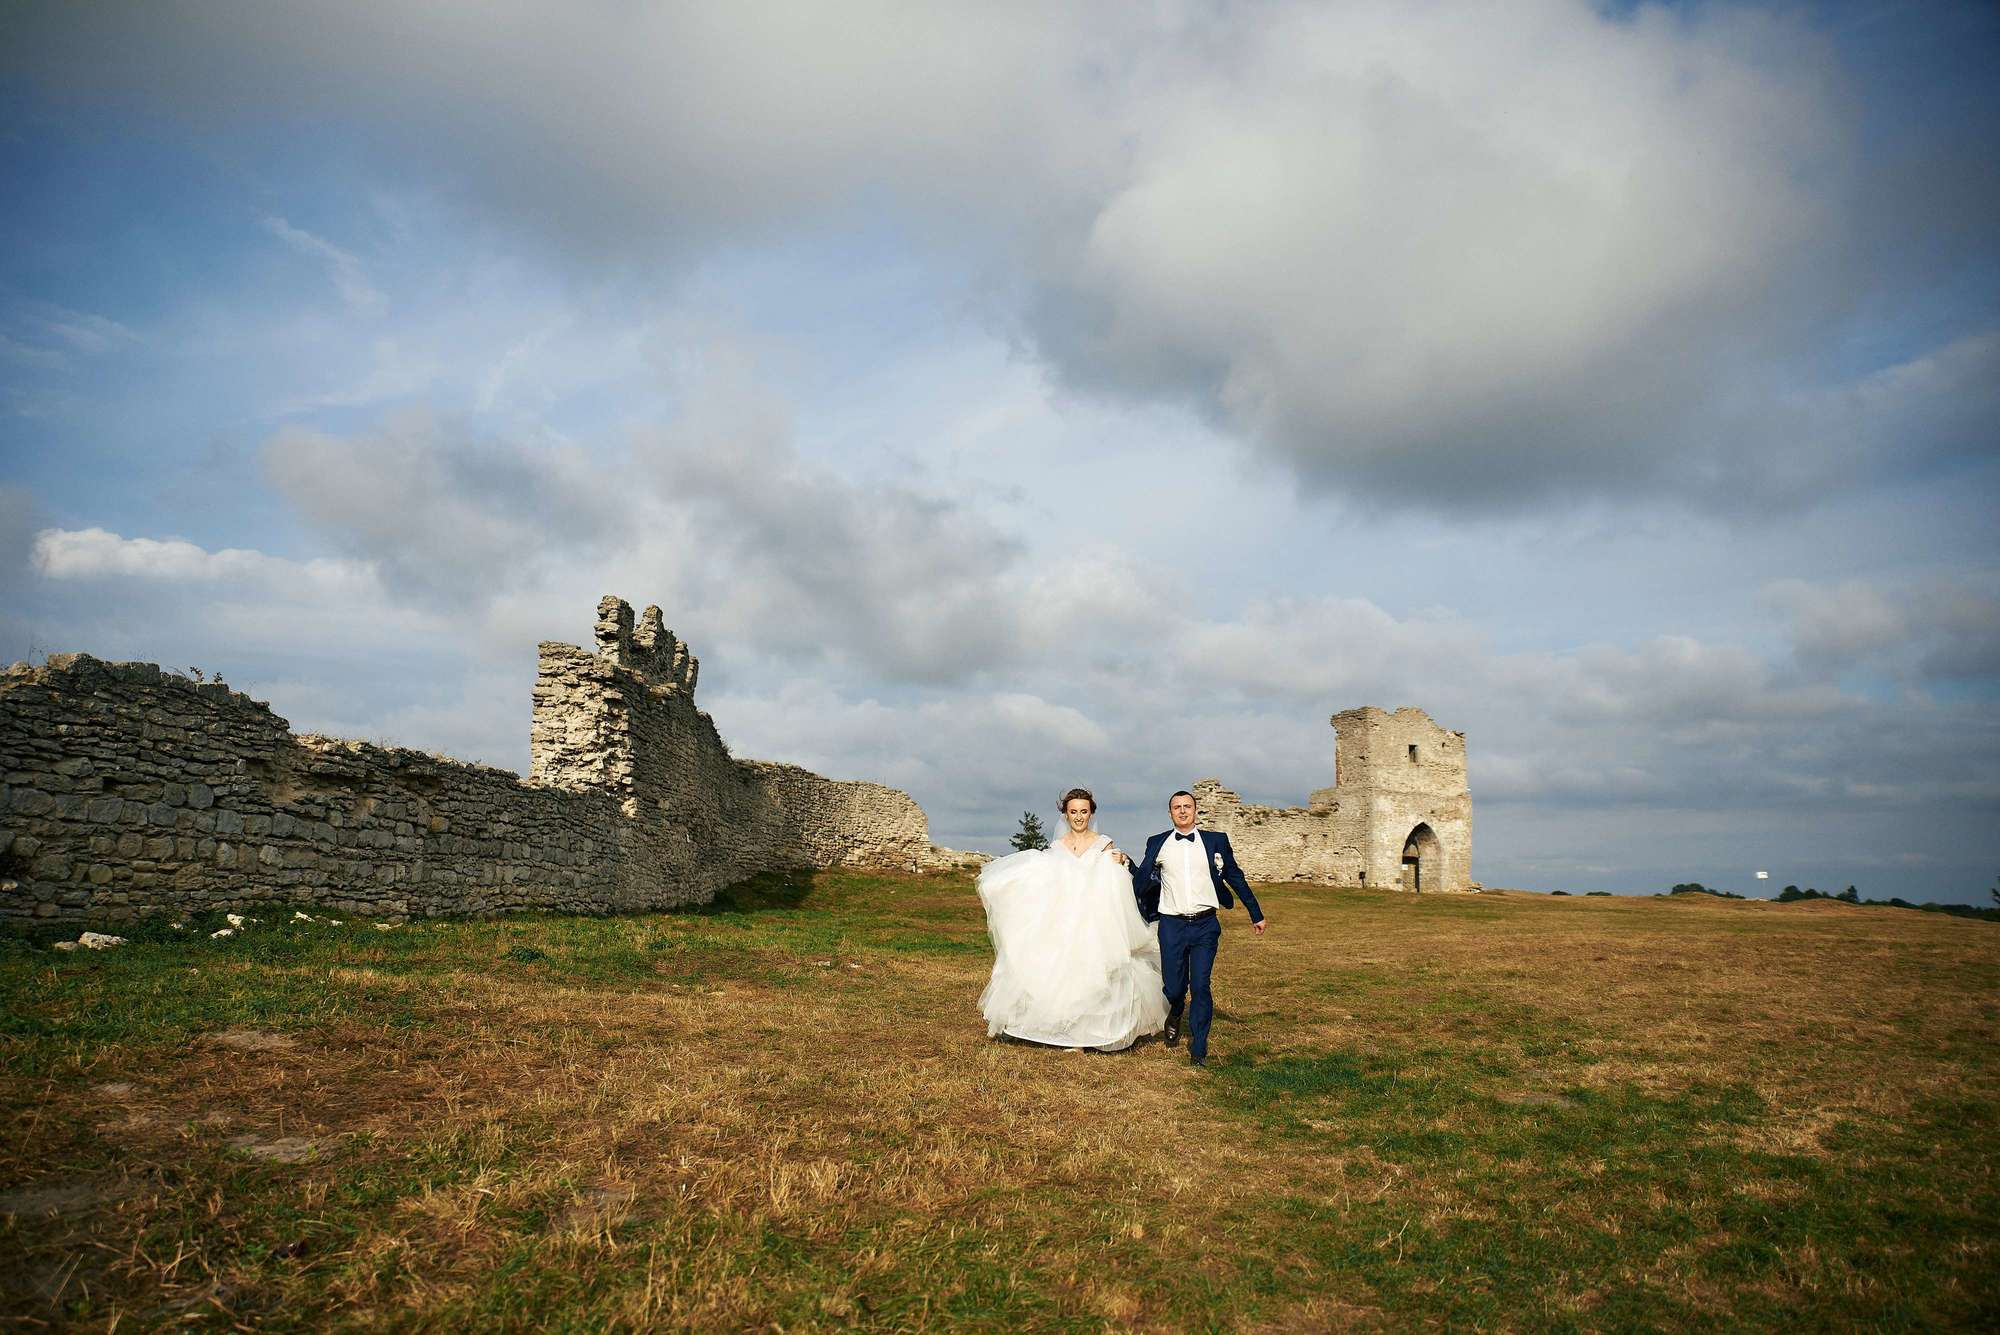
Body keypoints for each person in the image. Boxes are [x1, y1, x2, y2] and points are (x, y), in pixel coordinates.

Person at [977, 787, 1169, 1051]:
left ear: (1091, 813)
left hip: (1094, 918)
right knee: (1060, 970)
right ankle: (1057, 1026)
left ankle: (1085, 1034)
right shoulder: (1057, 846)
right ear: (1066, 815)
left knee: (1093, 970)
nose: (1079, 817)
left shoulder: (1104, 844)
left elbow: (1115, 882)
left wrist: (1121, 862)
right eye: (1073, 812)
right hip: (1064, 918)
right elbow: (1047, 880)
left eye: (1084, 811)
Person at [1129, 789, 1267, 1067]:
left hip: (1205, 925)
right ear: (1170, 813)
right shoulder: (1158, 843)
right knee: (1174, 987)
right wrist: (1125, 867)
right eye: (1176, 807)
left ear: (1195, 810)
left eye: (1187, 806)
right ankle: (1176, 1009)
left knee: (1201, 985)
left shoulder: (1216, 841)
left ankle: (1199, 1049)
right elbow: (1142, 878)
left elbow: (1235, 877)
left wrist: (1256, 913)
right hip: (1172, 926)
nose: (1182, 811)